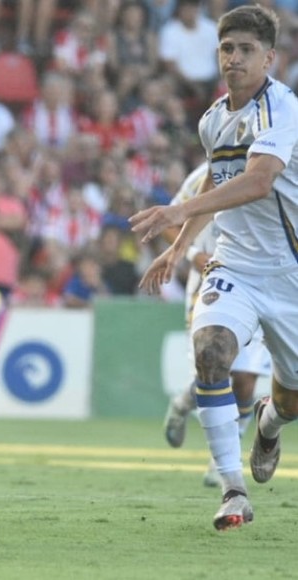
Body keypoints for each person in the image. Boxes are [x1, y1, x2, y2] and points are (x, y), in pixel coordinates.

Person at [129, 5, 298, 531]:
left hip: (289, 274)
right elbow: (214, 184)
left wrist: (176, 211)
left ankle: (270, 423)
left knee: (291, 402)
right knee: (211, 354)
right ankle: (232, 490)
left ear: (269, 57)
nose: (234, 58)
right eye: (227, 48)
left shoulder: (284, 109)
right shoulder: (212, 119)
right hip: (236, 266)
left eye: (247, 50)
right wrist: (178, 248)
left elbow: (257, 181)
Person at [161, 162, 272, 488]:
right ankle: (183, 404)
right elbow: (172, 218)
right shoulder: (208, 171)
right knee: (215, 368)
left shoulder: (274, 169)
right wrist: (192, 252)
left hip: (260, 281)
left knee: (246, 380)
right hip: (213, 282)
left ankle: (222, 460)